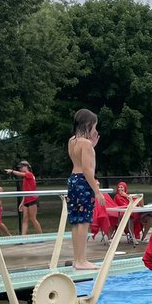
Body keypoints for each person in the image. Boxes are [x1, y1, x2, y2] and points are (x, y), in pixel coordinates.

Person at [66, 109, 101, 270]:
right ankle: (81, 260)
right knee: (84, 221)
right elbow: (87, 169)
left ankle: (77, 259)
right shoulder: (86, 144)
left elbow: (79, 162)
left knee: (76, 221)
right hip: (83, 182)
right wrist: (97, 190)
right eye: (94, 126)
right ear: (88, 124)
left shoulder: (72, 141)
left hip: (73, 180)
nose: (95, 130)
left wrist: (92, 145)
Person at [5, 160, 42, 236]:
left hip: (33, 199)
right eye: (20, 168)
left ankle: (41, 236)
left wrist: (12, 171)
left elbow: (20, 174)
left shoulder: (29, 174)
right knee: (25, 219)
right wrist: (22, 203)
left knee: (33, 218)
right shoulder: (25, 178)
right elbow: (25, 191)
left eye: (21, 167)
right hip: (26, 200)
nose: (20, 169)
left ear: (26, 167)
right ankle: (23, 237)